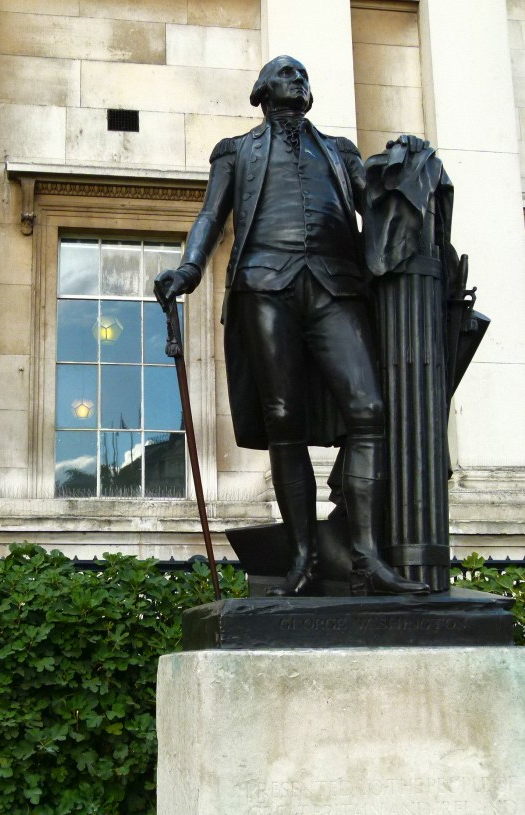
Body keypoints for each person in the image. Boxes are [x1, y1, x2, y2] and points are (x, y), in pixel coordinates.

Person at [154, 55, 429, 597]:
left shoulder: (338, 150)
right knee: (284, 421)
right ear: (261, 90)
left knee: (369, 410)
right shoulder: (235, 151)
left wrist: (403, 164)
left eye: (304, 74)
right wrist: (189, 267)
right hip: (263, 285)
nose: (299, 80)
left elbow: (375, 199)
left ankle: (367, 556)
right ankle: (302, 556)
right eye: (287, 73)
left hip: (335, 285)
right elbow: (212, 215)